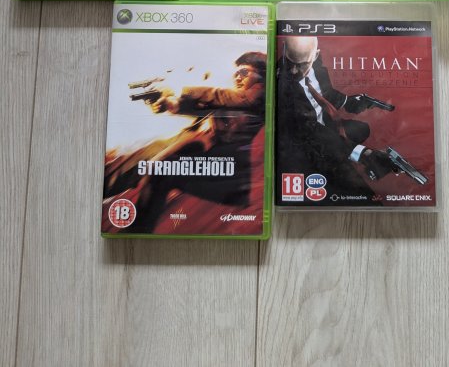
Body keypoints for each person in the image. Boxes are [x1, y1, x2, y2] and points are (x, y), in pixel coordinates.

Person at [103, 52, 267, 233]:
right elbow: (203, 107)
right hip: (195, 146)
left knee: (160, 171)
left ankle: (137, 231)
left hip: (221, 169)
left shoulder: (258, 96)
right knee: (134, 160)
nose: (238, 77)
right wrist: (169, 104)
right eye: (236, 73)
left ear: (261, 76)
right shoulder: (234, 99)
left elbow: (221, 97)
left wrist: (180, 89)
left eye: (244, 72)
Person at [277, 36, 398, 190]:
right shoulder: (282, 85)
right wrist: (362, 153)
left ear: (315, 55)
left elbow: (326, 93)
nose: (294, 70)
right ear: (284, 50)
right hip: (304, 140)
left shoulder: (317, 66)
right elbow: (310, 129)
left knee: (362, 129)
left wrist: (350, 101)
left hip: (326, 124)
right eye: (290, 62)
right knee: (350, 182)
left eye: (302, 64)